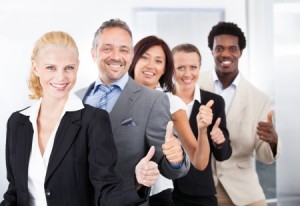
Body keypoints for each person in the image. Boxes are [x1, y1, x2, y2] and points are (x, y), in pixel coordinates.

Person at [0, 31, 160, 206]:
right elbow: (15, 191)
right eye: (51, 67)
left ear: (77, 66)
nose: (60, 77)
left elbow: (105, 194)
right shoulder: (18, 122)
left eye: (68, 68)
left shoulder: (93, 120)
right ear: (36, 67)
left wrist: (137, 182)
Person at [76, 19, 190, 206]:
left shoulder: (153, 100)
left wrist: (176, 159)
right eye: (107, 48)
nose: (116, 56)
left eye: (123, 49)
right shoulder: (74, 99)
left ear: (130, 55)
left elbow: (168, 168)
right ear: (93, 53)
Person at [199, 21, 281, 206]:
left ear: (240, 52)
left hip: (244, 192)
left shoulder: (259, 99)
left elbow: (265, 157)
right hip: (201, 188)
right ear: (211, 51)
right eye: (219, 48)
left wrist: (273, 142)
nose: (225, 54)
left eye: (232, 49)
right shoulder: (194, 84)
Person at [128, 35, 214, 206]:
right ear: (133, 59)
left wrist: (202, 130)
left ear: (165, 68)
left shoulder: (170, 102)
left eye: (158, 61)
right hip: (118, 190)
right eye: (144, 57)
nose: (151, 65)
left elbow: (198, 161)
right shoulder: (115, 96)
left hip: (156, 195)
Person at [171, 43, 232, 206]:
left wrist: (219, 141)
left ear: (200, 67)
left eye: (193, 67)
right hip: (164, 192)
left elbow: (223, 155)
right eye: (180, 67)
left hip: (199, 192)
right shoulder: (160, 100)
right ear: (171, 68)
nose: (187, 74)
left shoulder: (214, 102)